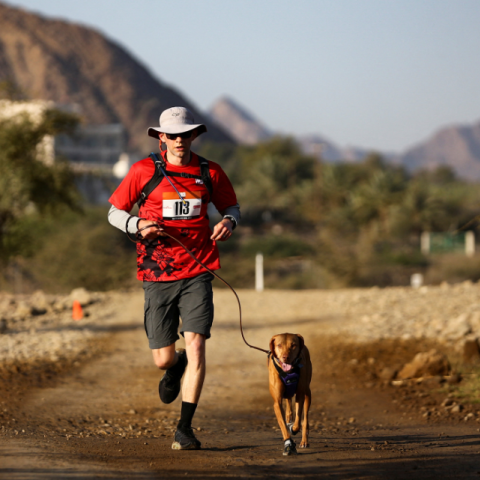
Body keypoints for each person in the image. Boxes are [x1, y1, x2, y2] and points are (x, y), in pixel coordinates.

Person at [108, 106, 240, 450]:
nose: (180, 141)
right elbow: (114, 212)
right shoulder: (143, 171)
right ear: (161, 137)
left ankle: (185, 428)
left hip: (198, 269)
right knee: (164, 358)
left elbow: (232, 208)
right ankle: (174, 365)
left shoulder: (210, 172)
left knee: (197, 344)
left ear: (193, 136)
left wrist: (229, 222)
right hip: (157, 272)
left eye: (186, 134)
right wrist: (137, 225)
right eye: (173, 135)